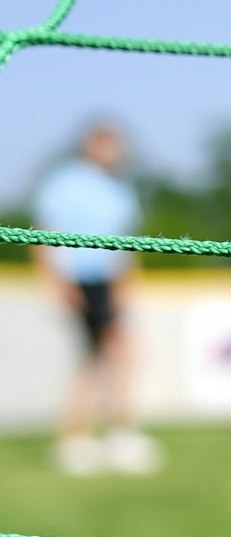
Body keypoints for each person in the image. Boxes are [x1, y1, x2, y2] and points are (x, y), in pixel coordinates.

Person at [32, 120, 161, 477]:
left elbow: (126, 245)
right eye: (106, 145)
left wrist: (127, 286)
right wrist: (58, 284)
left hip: (109, 282)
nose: (113, 152)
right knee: (110, 356)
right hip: (78, 279)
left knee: (106, 357)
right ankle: (98, 437)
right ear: (90, 146)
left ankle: (90, 439)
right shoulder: (65, 183)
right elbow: (45, 233)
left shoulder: (121, 190)